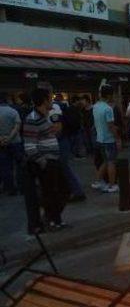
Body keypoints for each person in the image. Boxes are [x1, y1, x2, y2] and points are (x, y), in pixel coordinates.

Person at [22, 88, 68, 233]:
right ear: (44, 100)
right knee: (51, 193)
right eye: (50, 98)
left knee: (62, 190)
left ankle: (53, 219)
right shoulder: (33, 119)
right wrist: (43, 162)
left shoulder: (44, 116)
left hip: (53, 160)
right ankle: (53, 221)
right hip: (46, 162)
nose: (52, 101)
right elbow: (29, 146)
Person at [92, 85, 119, 193]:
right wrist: (117, 138)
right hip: (109, 139)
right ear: (109, 95)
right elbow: (111, 126)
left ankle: (98, 181)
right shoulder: (108, 109)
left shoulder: (96, 106)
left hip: (99, 138)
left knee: (105, 161)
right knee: (111, 162)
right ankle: (112, 185)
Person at [59, 96, 86, 201]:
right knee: (65, 167)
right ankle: (75, 190)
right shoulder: (72, 110)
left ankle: (77, 191)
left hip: (67, 137)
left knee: (65, 167)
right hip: (70, 135)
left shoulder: (70, 110)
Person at [0, 92, 23, 196]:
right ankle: (21, 186)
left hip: (1, 143)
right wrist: (10, 138)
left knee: (6, 166)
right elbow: (17, 126)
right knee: (19, 165)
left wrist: (2, 139)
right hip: (15, 142)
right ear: (7, 100)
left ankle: (10, 188)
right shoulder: (13, 111)